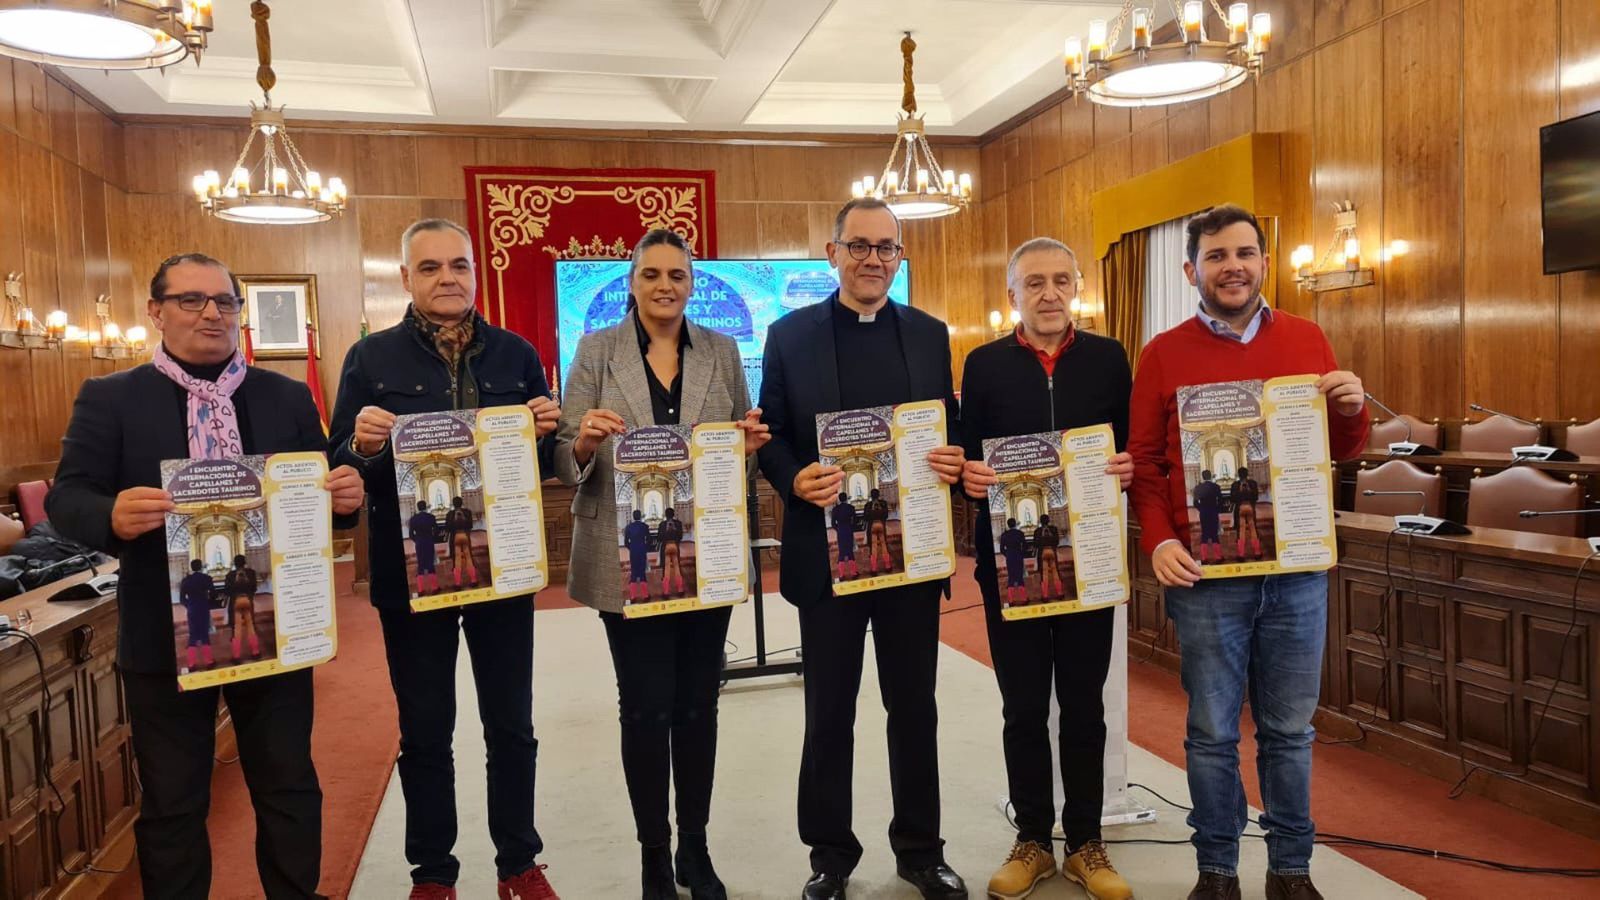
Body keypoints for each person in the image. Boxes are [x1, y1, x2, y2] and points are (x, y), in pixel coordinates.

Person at [46, 252, 364, 899]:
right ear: (156, 311)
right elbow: (65, 500)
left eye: (224, 302)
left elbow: (316, 497)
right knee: (174, 802)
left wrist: (345, 500)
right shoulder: (112, 398)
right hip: (164, 638)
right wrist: (111, 513)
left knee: (288, 787)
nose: (211, 313)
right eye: (192, 300)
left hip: (274, 624)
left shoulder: (286, 395)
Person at [1128, 204, 1369, 900]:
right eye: (1216, 256)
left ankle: (1291, 871)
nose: (1232, 266)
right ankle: (1218, 871)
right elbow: (1145, 464)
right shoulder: (1163, 352)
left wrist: (1352, 412)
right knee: (1209, 732)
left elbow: (1339, 452)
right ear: (1190, 270)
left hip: (1296, 573)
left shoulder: (1307, 336)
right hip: (1207, 575)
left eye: (1244, 253)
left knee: (1289, 731)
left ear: (1264, 262)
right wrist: (1161, 536)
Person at [328, 218, 562, 900]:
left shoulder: (517, 355)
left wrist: (549, 433)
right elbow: (341, 469)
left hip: (505, 571)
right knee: (425, 732)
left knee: (512, 726)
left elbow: (538, 464)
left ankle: (519, 862)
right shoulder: (369, 360)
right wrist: (364, 446)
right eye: (429, 267)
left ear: (475, 272)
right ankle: (433, 873)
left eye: (458, 264)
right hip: (412, 578)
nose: (447, 277)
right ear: (405, 278)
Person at [757, 197, 968, 900]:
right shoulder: (789, 336)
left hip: (911, 558)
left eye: (887, 248)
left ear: (900, 257)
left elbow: (948, 426)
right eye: (859, 246)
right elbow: (773, 436)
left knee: (915, 708)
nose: (873, 259)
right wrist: (795, 476)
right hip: (827, 558)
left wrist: (951, 457)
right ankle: (830, 855)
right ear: (832, 252)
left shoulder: (931, 333)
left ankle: (920, 848)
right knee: (830, 711)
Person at [555, 229, 768, 900]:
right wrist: (585, 442)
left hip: (707, 553)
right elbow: (565, 454)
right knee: (645, 710)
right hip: (627, 557)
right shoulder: (596, 350)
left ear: (692, 283)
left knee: (697, 708)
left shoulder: (724, 350)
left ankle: (695, 850)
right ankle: (654, 853)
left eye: (677, 274)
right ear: (632, 282)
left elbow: (742, 456)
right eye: (652, 274)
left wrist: (748, 445)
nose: (665, 285)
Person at [958, 237, 1135, 900]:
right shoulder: (982, 366)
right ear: (1013, 295)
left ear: (1077, 289)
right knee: (1024, 708)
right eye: (1034, 283)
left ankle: (1087, 843)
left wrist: (1130, 465)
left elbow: (1135, 449)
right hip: (1012, 565)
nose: (1050, 293)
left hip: (1089, 562)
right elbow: (962, 458)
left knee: (1085, 709)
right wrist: (967, 479)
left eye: (1062, 280)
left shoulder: (1110, 359)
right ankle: (1032, 839)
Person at [180, 558, 214, 670]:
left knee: (193, 635)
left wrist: (189, 605)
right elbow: (213, 594)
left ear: (191, 567)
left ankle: (191, 664)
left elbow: (182, 599)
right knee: (204, 634)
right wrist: (208, 602)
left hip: (192, 609)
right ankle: (209, 662)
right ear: (201, 567)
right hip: (203, 608)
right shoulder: (206, 578)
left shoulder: (185, 580)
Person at [225, 554, 261, 660]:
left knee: (237, 629)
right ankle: (255, 652)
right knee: (251, 627)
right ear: (244, 562)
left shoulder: (230, 575)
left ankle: (236, 656)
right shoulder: (251, 573)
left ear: (234, 563)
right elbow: (254, 588)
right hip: (247, 601)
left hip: (235, 602)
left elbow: (227, 591)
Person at [444, 495, 478, 588]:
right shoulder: (467, 512)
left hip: (455, 536)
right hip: (465, 535)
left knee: (457, 559)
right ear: (461, 503)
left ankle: (458, 583)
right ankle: (473, 580)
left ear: (453, 504)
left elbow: (447, 528)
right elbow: (470, 525)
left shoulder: (450, 514)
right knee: (469, 557)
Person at [409, 501, 440, 595]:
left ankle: (420, 590)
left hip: (419, 542)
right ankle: (435, 588)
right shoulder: (431, 517)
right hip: (429, 541)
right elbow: (437, 530)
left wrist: (417, 540)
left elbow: (411, 534)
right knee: (431, 563)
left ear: (418, 508)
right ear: (425, 507)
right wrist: (432, 538)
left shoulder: (413, 518)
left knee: (421, 565)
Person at [1231, 466, 1262, 560]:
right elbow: (1256, 497)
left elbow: (1232, 499)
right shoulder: (1253, 483)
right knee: (1253, 529)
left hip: (1240, 508)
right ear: (1247, 474)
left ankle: (1241, 554)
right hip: (1250, 508)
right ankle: (1257, 552)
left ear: (1238, 475)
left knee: (1241, 531)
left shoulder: (1235, 484)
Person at [1193, 470, 1224, 564]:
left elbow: (1195, 502)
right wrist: (1217, 509)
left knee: (1204, 534)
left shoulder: (1198, 487)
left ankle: (1203, 558)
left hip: (1203, 512)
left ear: (1203, 477)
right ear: (1210, 476)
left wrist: (1201, 509)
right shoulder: (1216, 486)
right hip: (1213, 512)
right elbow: (1221, 500)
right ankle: (1218, 557)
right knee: (1214, 534)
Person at [624, 509, 653, 601]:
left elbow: (626, 542)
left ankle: (632, 596)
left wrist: (631, 548)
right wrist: (645, 547)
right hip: (642, 550)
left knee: (634, 571)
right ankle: (645, 596)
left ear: (633, 516)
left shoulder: (628, 527)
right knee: (642, 571)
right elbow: (649, 540)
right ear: (640, 516)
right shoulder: (644, 526)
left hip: (633, 550)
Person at [1033, 514, 1063, 601]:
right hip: (1052, 551)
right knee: (1055, 572)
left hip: (1042, 552)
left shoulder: (1037, 531)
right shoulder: (1054, 529)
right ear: (1048, 520)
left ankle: (1045, 596)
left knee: (1044, 574)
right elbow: (1057, 542)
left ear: (1040, 521)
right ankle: (1060, 593)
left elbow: (1035, 544)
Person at [997, 518, 1027, 605]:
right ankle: (1024, 599)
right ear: (1015, 524)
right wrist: (1021, 554)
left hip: (1010, 556)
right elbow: (1025, 546)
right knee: (1020, 576)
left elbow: (1002, 549)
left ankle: (1010, 600)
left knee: (1011, 577)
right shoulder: (1020, 533)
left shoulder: (1004, 535)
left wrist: (1008, 555)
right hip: (1018, 555)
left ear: (1008, 525)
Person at [830, 493, 859, 580]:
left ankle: (841, 575)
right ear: (846, 498)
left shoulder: (835, 509)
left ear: (839, 499)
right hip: (848, 530)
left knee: (841, 552)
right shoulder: (851, 508)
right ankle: (854, 573)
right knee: (850, 551)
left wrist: (838, 529)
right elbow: (855, 520)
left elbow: (833, 523)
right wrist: (851, 528)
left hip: (840, 531)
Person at [658, 507, 685, 597]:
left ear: (665, 515)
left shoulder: (662, 524)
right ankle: (680, 589)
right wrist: (675, 531)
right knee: (677, 567)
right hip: (675, 546)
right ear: (673, 514)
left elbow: (659, 538)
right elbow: (680, 537)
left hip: (666, 546)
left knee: (666, 569)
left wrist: (666, 532)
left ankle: (666, 592)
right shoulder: (678, 523)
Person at [862, 487, 891, 573]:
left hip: (872, 525)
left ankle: (874, 568)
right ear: (878, 495)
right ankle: (887, 565)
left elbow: (865, 518)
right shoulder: (884, 503)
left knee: (873, 546)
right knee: (884, 544)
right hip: (881, 524)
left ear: (871, 496)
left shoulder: (867, 505)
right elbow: (886, 516)